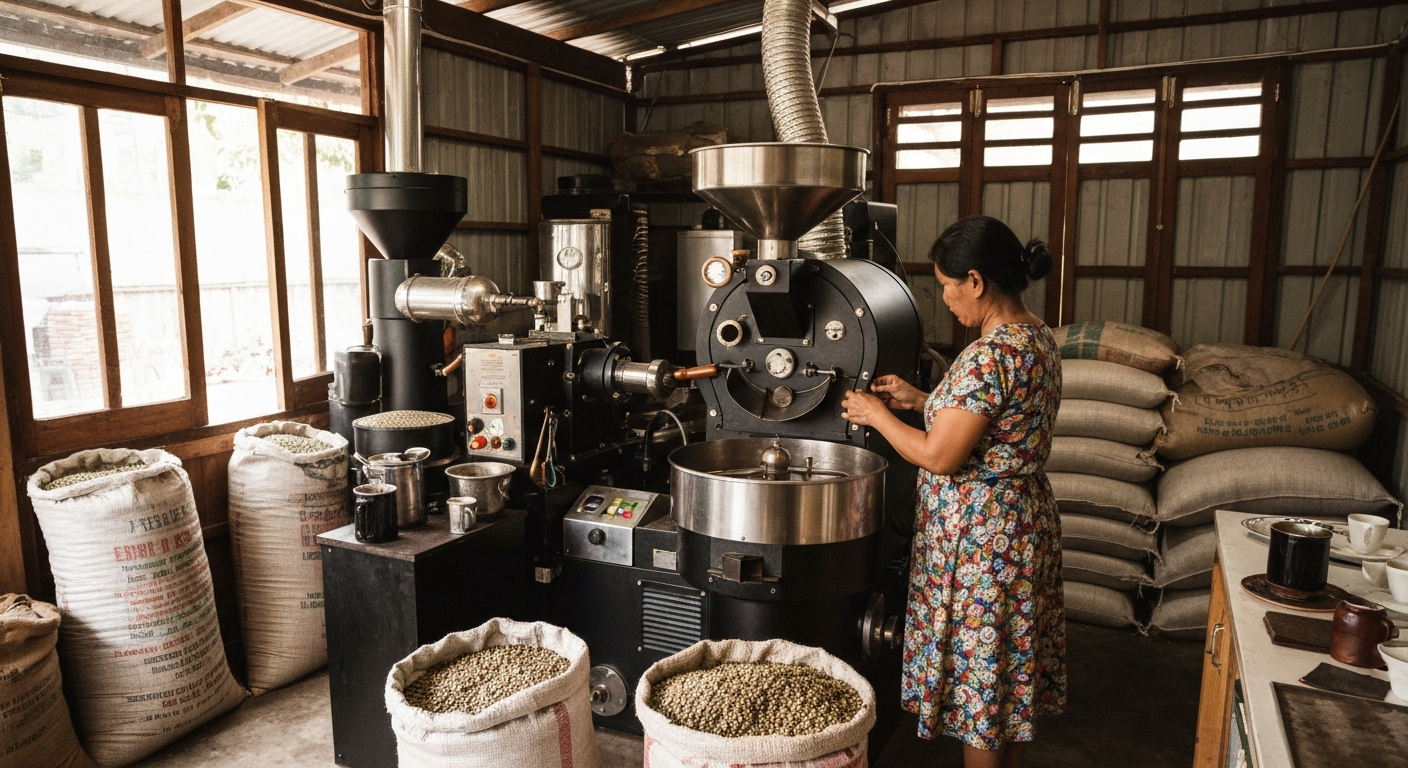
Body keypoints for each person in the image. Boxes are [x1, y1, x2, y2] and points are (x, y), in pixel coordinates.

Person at [840, 215, 1065, 768]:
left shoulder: (990, 355)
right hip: (1021, 527)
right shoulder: (1035, 336)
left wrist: (875, 415)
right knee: (1007, 679)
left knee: (981, 687)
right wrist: (921, 401)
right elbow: (989, 419)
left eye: (945, 285)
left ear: (976, 281)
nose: (944, 299)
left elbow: (941, 456)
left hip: (983, 543)